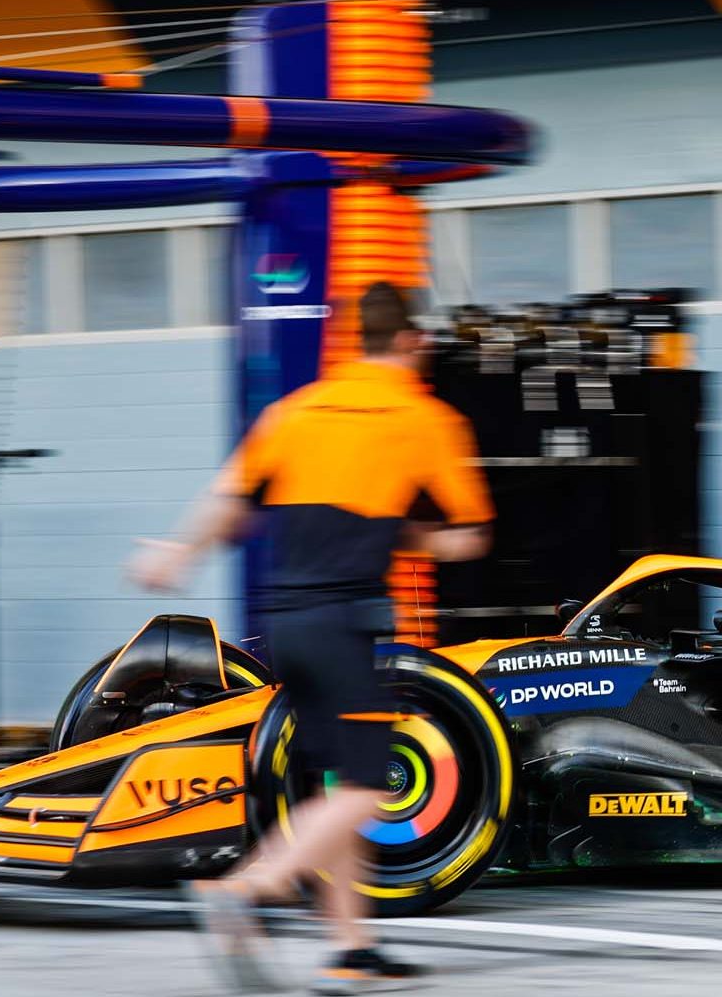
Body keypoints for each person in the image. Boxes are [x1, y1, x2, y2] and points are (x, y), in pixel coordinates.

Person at [128, 281, 493, 994]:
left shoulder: (295, 411)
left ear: (356, 339)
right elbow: (471, 539)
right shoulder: (424, 418)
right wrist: (409, 533)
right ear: (413, 342)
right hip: (343, 620)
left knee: (337, 787)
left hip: (285, 624)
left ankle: (351, 947)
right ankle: (247, 888)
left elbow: (230, 505)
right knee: (365, 785)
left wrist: (176, 553)